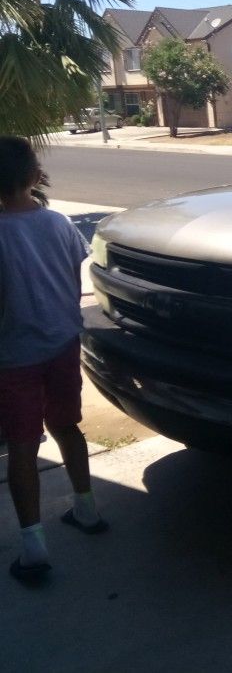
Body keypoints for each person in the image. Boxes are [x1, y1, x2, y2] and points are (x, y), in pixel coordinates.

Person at [0, 136, 107, 585]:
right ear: (34, 176)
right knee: (67, 425)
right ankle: (85, 508)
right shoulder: (60, 224)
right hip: (62, 344)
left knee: (22, 445)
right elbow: (69, 278)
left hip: (14, 356)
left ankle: (33, 545)